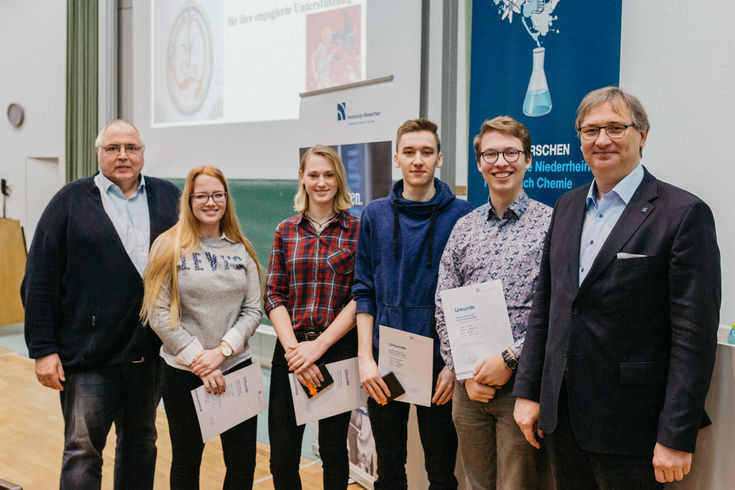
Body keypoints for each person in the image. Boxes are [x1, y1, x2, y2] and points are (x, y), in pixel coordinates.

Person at [513, 86, 721, 488]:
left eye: (615, 127)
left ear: (642, 135)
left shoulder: (683, 214)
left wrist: (676, 435)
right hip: (562, 419)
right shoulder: (567, 207)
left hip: (633, 427)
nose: (602, 140)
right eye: (591, 130)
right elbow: (547, 308)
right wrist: (530, 392)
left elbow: (694, 338)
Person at [21, 120, 180, 489]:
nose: (123, 155)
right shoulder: (69, 201)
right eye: (113, 148)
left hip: (149, 357)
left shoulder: (169, 198)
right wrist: (43, 349)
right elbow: (39, 278)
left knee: (141, 444)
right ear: (98, 153)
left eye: (131, 147)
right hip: (88, 359)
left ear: (142, 153)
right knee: (82, 451)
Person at [353, 118, 473, 489]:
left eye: (426, 152)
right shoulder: (374, 214)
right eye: (409, 152)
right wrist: (365, 359)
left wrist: (454, 365)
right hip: (387, 360)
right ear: (396, 159)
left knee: (441, 471)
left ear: (439, 158)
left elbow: (467, 296)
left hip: (440, 365)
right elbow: (364, 289)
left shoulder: (463, 214)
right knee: (390, 468)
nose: (417, 160)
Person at [435, 116, 551, 489]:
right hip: (470, 391)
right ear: (480, 163)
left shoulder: (552, 225)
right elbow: (444, 304)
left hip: (523, 385)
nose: (501, 162)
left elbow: (555, 309)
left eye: (511, 153)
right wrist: (464, 370)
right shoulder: (464, 228)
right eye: (491, 154)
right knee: (476, 483)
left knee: (517, 485)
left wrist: (510, 359)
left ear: (528, 160)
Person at [140, 165, 262, 488]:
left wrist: (221, 354)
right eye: (202, 195)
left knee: (242, 464)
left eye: (217, 195)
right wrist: (201, 361)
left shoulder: (242, 249)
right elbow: (159, 313)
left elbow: (253, 310)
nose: (211, 202)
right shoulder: (168, 247)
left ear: (226, 199)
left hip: (235, 368)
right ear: (189, 200)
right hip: (183, 373)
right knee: (186, 461)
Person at [264, 145, 359, 490]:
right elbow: (274, 294)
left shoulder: (357, 230)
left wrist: (317, 347)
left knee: (334, 451)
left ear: (339, 180)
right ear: (302, 177)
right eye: (314, 174)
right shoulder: (285, 231)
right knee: (283, 455)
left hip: (335, 350)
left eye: (329, 175)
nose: (321, 182)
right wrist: (296, 353)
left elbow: (359, 297)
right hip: (291, 352)